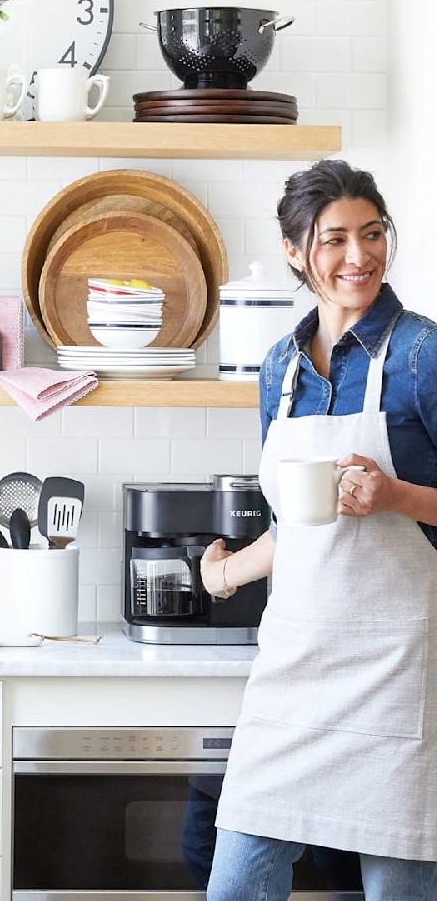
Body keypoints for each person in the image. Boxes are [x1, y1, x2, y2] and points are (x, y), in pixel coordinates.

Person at [200, 159, 437, 901]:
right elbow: (296, 526)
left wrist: (396, 496)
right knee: (237, 887)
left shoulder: (424, 354)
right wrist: (228, 572)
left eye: (373, 234)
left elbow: (398, 506)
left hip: (397, 672)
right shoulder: (280, 369)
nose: (358, 256)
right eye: (334, 239)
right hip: (295, 671)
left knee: (398, 890)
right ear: (295, 252)